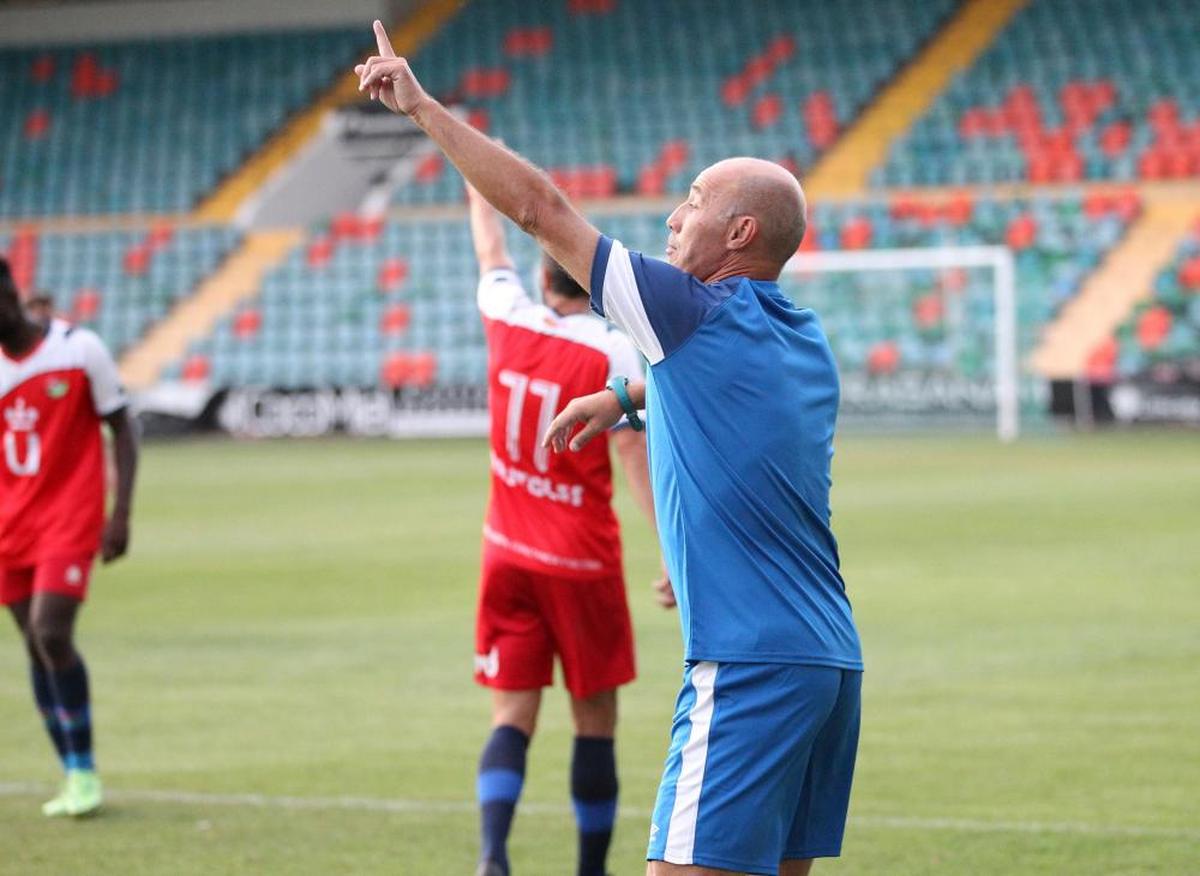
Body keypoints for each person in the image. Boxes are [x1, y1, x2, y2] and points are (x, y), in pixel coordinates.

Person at [356, 23, 861, 875]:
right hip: (828, 662)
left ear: (740, 234)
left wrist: (420, 106)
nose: (673, 215)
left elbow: (539, 211)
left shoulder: (685, 310)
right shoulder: (801, 338)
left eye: (694, 200)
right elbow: (728, 404)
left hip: (746, 663)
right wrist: (623, 393)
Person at [464, 183, 666, 876]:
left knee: (510, 717)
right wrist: (669, 552)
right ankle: (589, 870)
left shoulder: (506, 314)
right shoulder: (613, 355)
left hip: (506, 553)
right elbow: (633, 451)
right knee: (594, 723)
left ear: (542, 279)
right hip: (581, 561)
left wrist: (473, 177)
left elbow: (489, 245)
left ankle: (493, 855)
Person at [0, 257, 139, 817]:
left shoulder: (80, 349)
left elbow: (122, 426)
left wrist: (121, 512)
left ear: (9, 295)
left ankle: (84, 770)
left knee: (50, 631)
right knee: (35, 646)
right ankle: (70, 772)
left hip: (68, 518)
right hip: (10, 525)